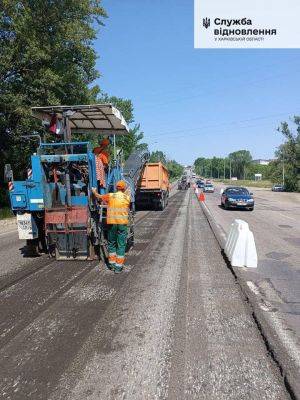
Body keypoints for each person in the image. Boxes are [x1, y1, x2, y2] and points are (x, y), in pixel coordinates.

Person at [92, 180, 131, 273]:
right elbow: (126, 197)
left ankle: (112, 265)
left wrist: (94, 191)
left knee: (112, 244)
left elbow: (99, 197)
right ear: (124, 188)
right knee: (121, 245)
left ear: (116, 188)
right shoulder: (127, 198)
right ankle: (118, 268)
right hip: (122, 224)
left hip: (112, 224)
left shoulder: (110, 196)